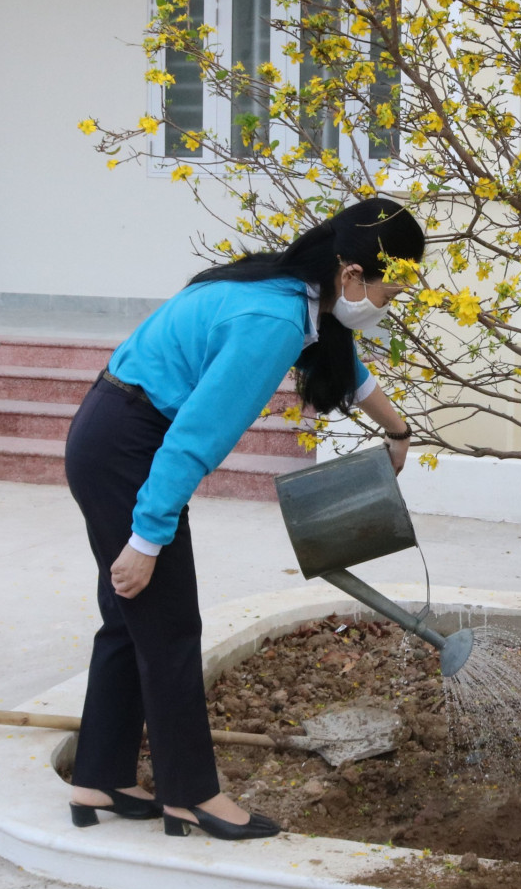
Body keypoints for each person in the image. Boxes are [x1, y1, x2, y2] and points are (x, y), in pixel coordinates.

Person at [62, 197, 424, 840]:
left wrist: (398, 428)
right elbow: (195, 439)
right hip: (130, 444)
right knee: (168, 619)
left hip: (113, 429)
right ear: (351, 277)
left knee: (130, 617)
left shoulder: (294, 293)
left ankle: (101, 776)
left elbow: (346, 369)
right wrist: (148, 536)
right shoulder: (275, 320)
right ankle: (191, 795)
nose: (385, 306)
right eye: (387, 292)